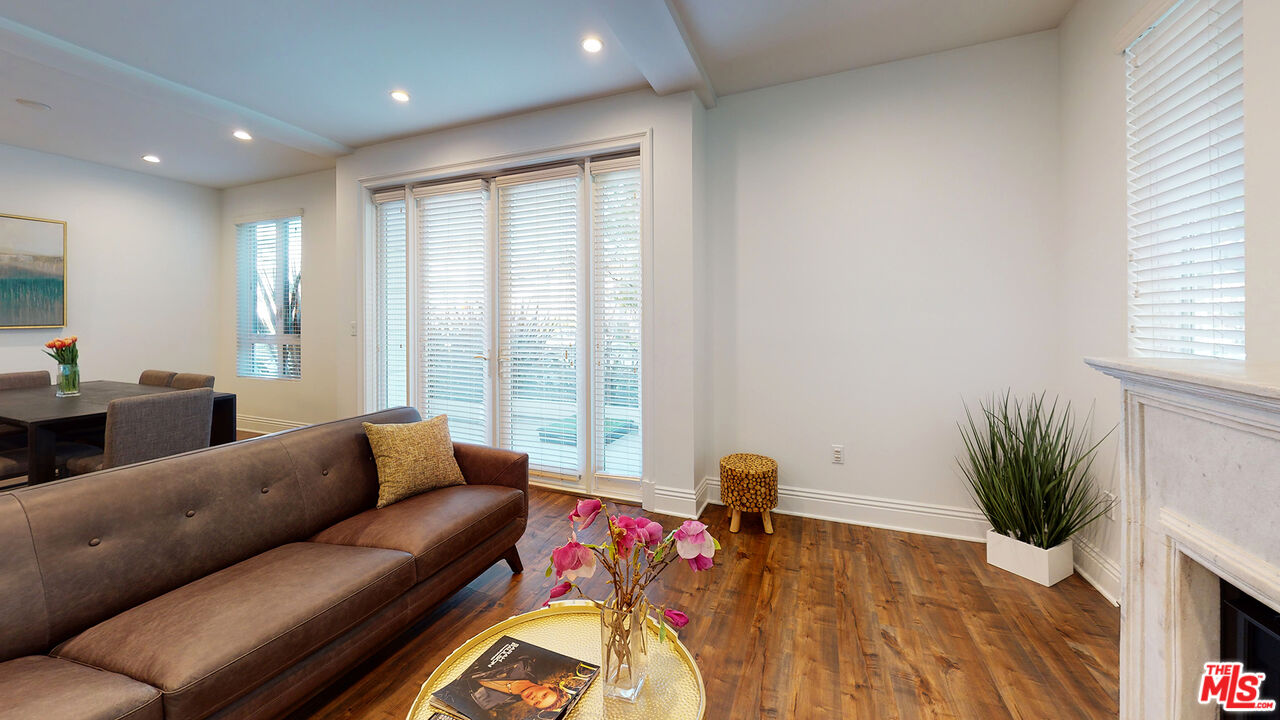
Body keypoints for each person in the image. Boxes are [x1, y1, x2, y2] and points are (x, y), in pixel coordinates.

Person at [466, 654, 570, 713]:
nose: (535, 699)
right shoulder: (524, 662)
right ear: (548, 686)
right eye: (544, 695)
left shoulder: (492, 705)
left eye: (537, 703)